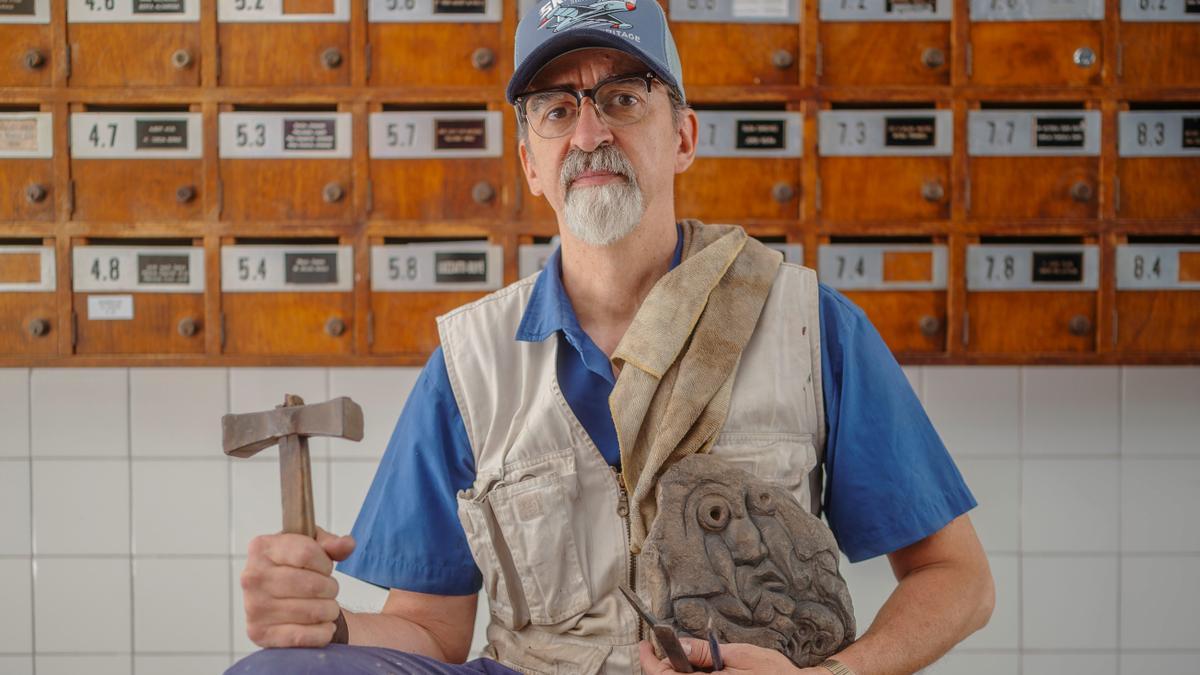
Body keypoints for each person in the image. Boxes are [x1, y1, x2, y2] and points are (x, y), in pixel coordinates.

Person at [228, 1, 994, 673]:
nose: (590, 130)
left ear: (684, 136)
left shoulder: (807, 324)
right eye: (557, 110)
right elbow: (429, 630)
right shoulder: (472, 364)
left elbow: (958, 576)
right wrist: (327, 623)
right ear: (530, 160)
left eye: (623, 98)